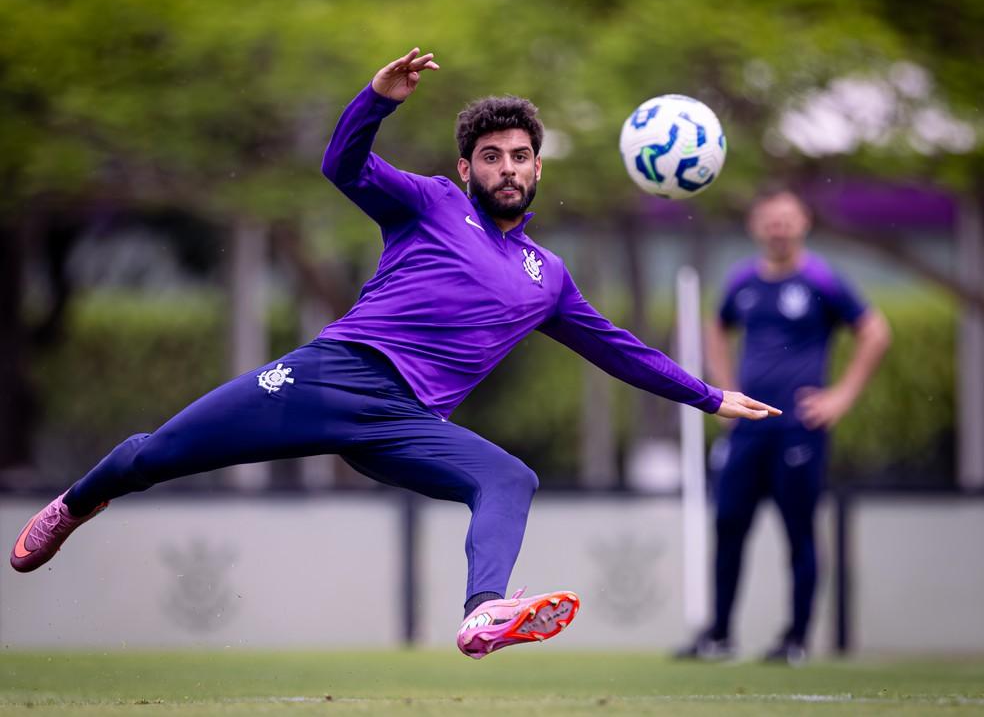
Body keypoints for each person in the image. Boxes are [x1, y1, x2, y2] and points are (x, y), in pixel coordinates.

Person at [10, 49, 779, 659]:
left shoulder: (549, 277)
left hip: (406, 422)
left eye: (519, 156)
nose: (506, 167)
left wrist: (710, 397)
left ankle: (484, 614)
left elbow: (618, 350)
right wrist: (376, 101)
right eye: (490, 155)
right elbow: (341, 168)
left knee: (509, 477)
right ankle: (75, 504)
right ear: (465, 169)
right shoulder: (429, 205)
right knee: (158, 454)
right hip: (330, 377)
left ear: (539, 168)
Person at [677, 189, 891, 665]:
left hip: (798, 430)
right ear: (756, 226)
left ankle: (795, 639)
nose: (779, 228)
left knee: (798, 532)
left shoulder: (822, 280)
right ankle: (719, 635)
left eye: (787, 220)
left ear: (804, 224)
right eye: (770, 220)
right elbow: (716, 326)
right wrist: (724, 390)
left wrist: (841, 396)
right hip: (747, 430)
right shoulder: (743, 281)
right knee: (729, 524)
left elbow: (875, 331)